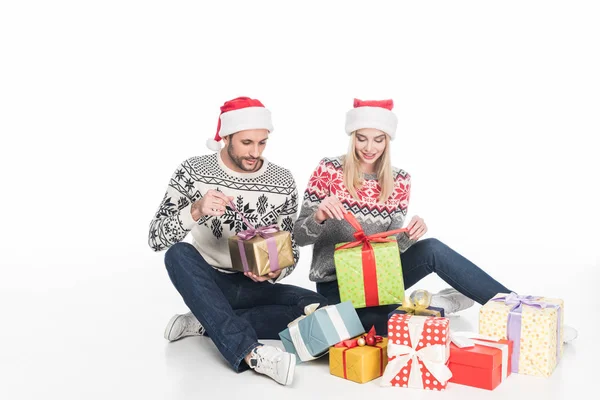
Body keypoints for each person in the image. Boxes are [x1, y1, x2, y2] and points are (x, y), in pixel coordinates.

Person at [292, 98, 513, 336]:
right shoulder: (328, 169)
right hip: (336, 286)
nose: (369, 148)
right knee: (393, 327)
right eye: (361, 138)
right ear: (352, 137)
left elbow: (391, 252)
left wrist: (409, 235)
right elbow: (299, 238)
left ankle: (519, 310)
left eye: (378, 139)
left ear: (388, 140)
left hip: (379, 280)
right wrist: (319, 215)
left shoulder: (400, 181)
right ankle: (440, 303)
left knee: (433, 248)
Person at [148, 96, 328, 386]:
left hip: (252, 286)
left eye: (262, 142)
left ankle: (206, 322)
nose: (255, 152)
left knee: (315, 305)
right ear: (226, 136)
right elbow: (155, 238)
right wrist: (195, 210)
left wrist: (275, 270)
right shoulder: (193, 171)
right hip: (208, 281)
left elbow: (289, 246)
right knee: (177, 253)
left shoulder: (282, 181)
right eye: (246, 143)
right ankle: (250, 352)